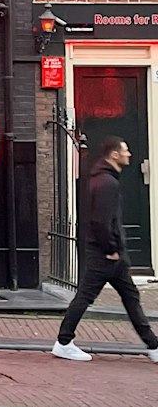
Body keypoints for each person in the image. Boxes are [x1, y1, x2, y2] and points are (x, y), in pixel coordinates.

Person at [53, 136, 158, 362]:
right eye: (125, 150)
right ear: (114, 155)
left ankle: (153, 344)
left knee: (130, 296)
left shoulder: (104, 180)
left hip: (111, 254)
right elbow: (101, 221)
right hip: (105, 254)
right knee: (85, 297)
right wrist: (110, 249)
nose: (129, 154)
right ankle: (63, 341)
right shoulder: (107, 183)